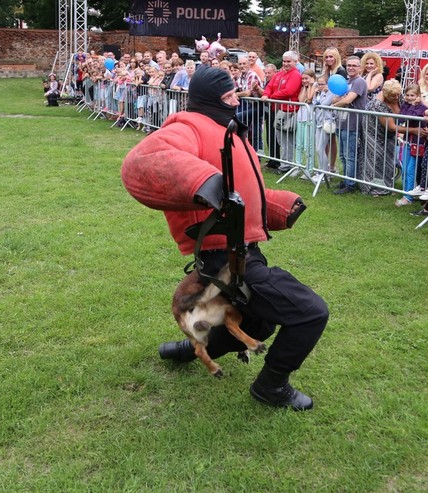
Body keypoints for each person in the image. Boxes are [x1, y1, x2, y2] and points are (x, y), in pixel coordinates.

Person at [120, 66, 329, 410]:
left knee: (258, 323)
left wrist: (273, 206)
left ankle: (190, 349)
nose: (236, 99)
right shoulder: (188, 125)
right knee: (310, 312)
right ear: (210, 98)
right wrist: (203, 183)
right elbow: (144, 160)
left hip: (244, 254)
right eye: (228, 95)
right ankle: (271, 386)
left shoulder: (225, 130)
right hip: (224, 261)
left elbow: (239, 191)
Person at [331, 55, 368, 194]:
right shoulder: (346, 81)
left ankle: (350, 184)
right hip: (342, 122)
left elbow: (348, 100)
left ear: (360, 68)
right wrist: (337, 101)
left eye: (354, 65)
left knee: (350, 155)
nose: (351, 68)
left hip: (353, 124)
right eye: (349, 65)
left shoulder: (359, 82)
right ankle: (345, 179)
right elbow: (335, 97)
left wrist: (335, 104)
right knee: (342, 155)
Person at [359, 79, 402, 196]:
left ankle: (387, 186)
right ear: (386, 94)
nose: (396, 97)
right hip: (373, 133)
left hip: (389, 136)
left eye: (398, 94)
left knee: (388, 160)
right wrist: (414, 130)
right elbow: (392, 127)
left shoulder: (400, 98)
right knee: (374, 161)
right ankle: (371, 188)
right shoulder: (378, 105)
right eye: (393, 96)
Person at [261, 51, 302, 171]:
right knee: (279, 138)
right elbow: (269, 86)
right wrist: (266, 94)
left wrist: (271, 96)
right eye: (284, 61)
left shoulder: (295, 75)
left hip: (288, 111)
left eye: (288, 61)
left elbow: (289, 91)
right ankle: (282, 163)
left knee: (286, 140)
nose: (285, 63)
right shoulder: (279, 74)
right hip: (277, 110)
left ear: (295, 61)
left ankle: (286, 165)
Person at [394, 84, 428, 206]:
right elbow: (401, 119)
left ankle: (408, 196)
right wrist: (410, 106)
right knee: (404, 169)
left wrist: (413, 106)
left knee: (411, 170)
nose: (409, 98)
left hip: (418, 143)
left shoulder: (421, 107)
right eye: (407, 95)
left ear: (418, 96)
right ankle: (406, 192)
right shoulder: (405, 105)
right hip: (407, 141)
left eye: (412, 95)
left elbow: (411, 116)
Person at [293, 68, 317, 170]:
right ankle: (298, 165)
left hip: (310, 119)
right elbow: (301, 99)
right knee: (299, 144)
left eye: (306, 78)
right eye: (302, 79)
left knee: (308, 146)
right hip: (300, 118)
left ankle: (309, 167)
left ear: (312, 78)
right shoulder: (304, 87)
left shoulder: (315, 86)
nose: (304, 81)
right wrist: (304, 87)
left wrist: (311, 85)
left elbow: (310, 98)